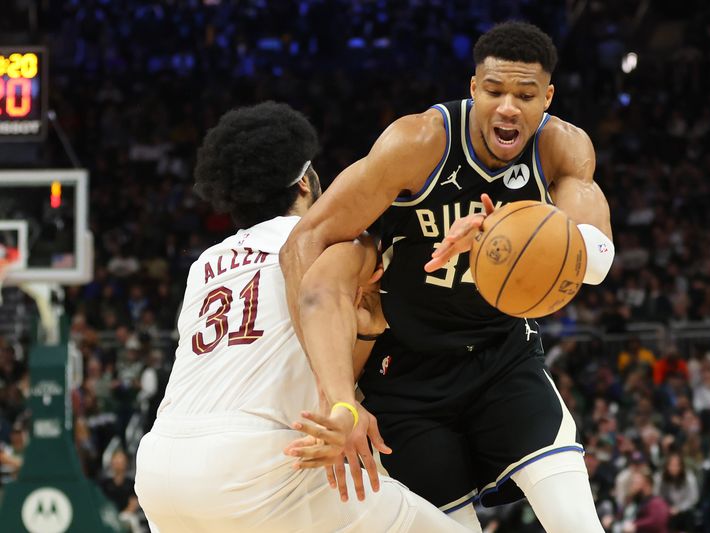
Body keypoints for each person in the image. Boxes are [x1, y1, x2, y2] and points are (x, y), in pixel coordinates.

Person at [281, 21, 613, 532]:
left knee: (578, 524)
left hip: (503, 358)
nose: (508, 107)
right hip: (406, 374)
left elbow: (596, 262)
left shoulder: (562, 149)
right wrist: (337, 393)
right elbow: (305, 240)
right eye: (495, 90)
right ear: (473, 88)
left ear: (546, 98)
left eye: (525, 95)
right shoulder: (418, 143)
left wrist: (503, 233)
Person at [134, 102, 472, 532]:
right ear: (306, 182)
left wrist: (362, 340)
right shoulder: (327, 245)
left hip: (162, 470)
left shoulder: (205, 264)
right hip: (257, 463)